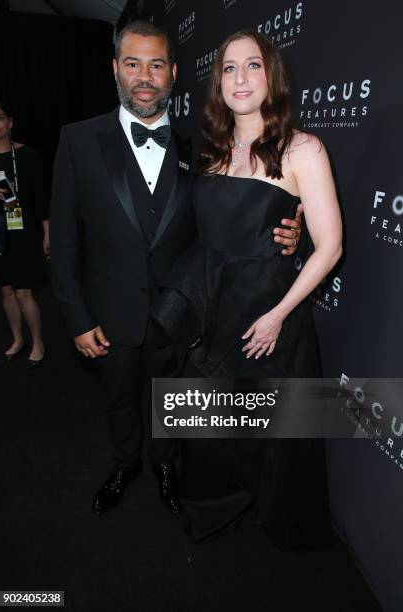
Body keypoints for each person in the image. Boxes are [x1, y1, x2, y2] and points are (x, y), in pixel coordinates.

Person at [49, 21, 302, 518]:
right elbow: (62, 242)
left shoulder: (200, 146)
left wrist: (292, 234)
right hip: (108, 312)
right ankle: (126, 464)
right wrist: (76, 317)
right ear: (115, 69)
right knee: (119, 398)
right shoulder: (77, 141)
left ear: (173, 73)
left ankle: (166, 463)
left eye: (156, 64)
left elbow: (236, 217)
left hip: (180, 311)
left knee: (171, 401)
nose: (145, 75)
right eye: (133, 63)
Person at [152, 30, 342, 547]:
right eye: (229, 68)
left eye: (252, 65)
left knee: (270, 423)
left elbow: (330, 247)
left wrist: (279, 313)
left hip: (268, 309)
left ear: (271, 75)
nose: (240, 77)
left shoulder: (302, 148)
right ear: (218, 83)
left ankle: (269, 517)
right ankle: (211, 507)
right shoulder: (211, 151)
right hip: (217, 306)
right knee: (209, 420)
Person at [0, 96, 48, 368]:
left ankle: (37, 342)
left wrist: (47, 233)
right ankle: (17, 339)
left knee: (23, 293)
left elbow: (41, 200)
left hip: (23, 231)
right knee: (6, 292)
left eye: (0, 118)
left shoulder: (28, 156)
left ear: (10, 122)